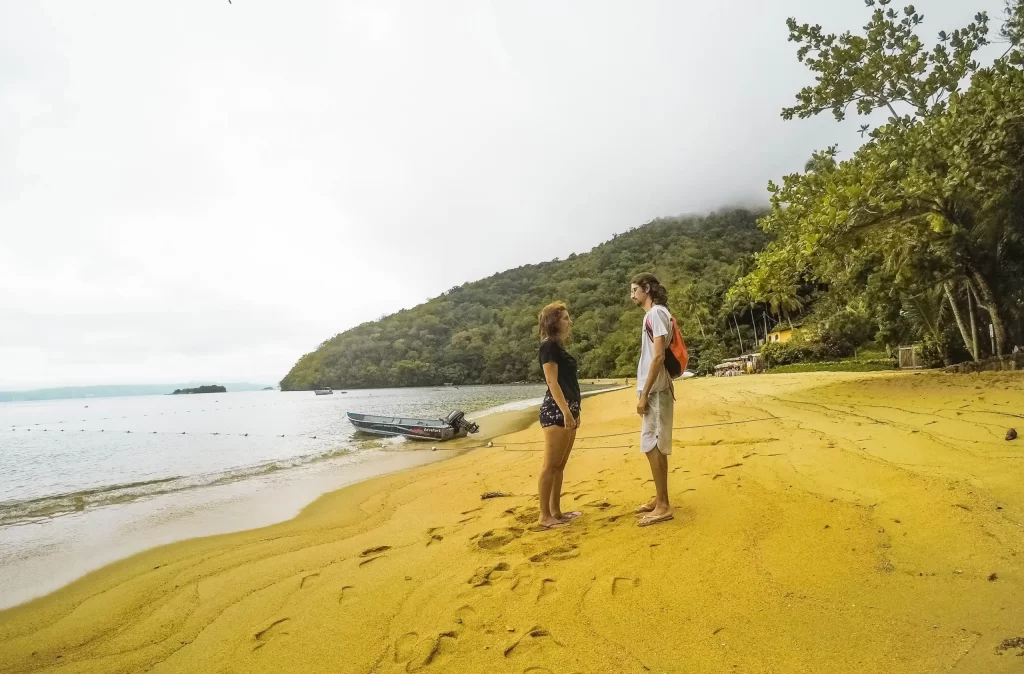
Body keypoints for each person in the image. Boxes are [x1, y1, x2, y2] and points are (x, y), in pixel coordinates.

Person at [630, 273, 675, 527]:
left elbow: (657, 356)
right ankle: (660, 498)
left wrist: (644, 393)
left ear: (647, 289)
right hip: (657, 388)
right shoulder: (657, 314)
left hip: (656, 390)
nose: (632, 295)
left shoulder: (655, 314)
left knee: (652, 445)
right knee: (654, 445)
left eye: (635, 289)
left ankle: (663, 505)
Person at [536, 302, 582, 529]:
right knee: (550, 465)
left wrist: (575, 411)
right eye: (565, 318)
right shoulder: (548, 347)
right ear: (553, 322)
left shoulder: (558, 347)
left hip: (568, 408)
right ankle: (544, 516)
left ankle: (556, 511)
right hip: (555, 410)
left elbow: (569, 383)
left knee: (560, 465)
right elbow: (552, 382)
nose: (569, 321)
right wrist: (566, 411)